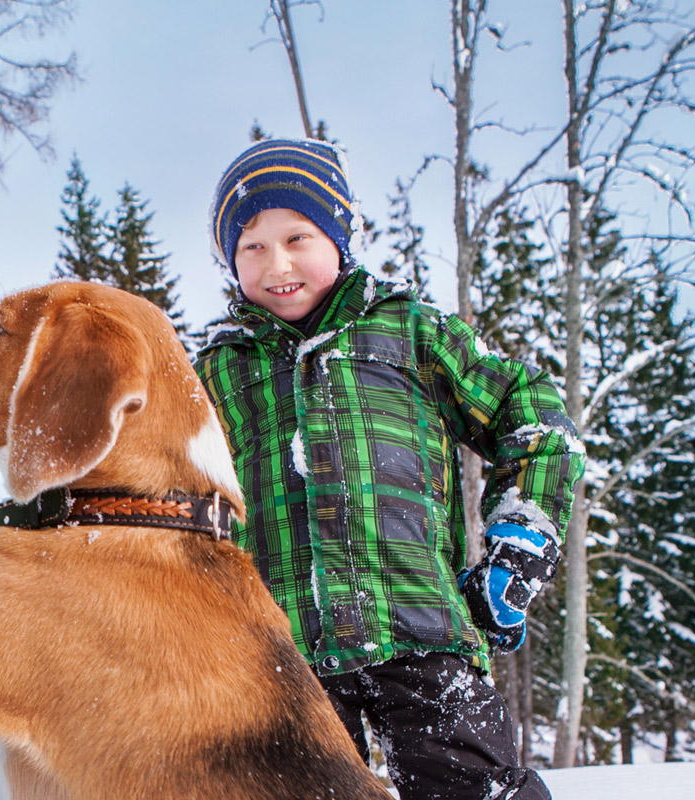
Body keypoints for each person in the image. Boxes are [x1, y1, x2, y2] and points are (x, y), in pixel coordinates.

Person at [194, 138, 584, 800]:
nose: (277, 262)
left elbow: (536, 421)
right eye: (251, 246)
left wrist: (522, 539)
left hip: (423, 627)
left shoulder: (410, 332)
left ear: (340, 239)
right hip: (283, 655)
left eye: (298, 237)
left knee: (475, 790)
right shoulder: (216, 373)